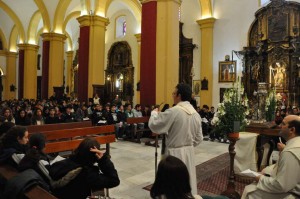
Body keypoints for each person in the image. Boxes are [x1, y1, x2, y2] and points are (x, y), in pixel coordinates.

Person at [149, 83, 203, 194]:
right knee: (187, 181)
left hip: (174, 155)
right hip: (189, 152)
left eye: (174, 93)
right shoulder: (196, 114)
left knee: (173, 186)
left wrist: (154, 113)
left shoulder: (174, 111)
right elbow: (199, 138)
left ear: (179, 95)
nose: (172, 95)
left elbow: (155, 125)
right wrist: (187, 145)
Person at [242, 115, 300, 199]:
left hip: (293, 194)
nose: (279, 126)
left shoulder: (290, 152)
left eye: (283, 124)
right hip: (290, 186)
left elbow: (281, 185)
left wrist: (260, 178)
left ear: (292, 130)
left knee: (250, 191)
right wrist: (266, 171)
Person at [49, 137, 120, 199]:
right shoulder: (88, 174)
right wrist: (103, 160)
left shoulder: (63, 163)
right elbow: (114, 180)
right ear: (95, 156)